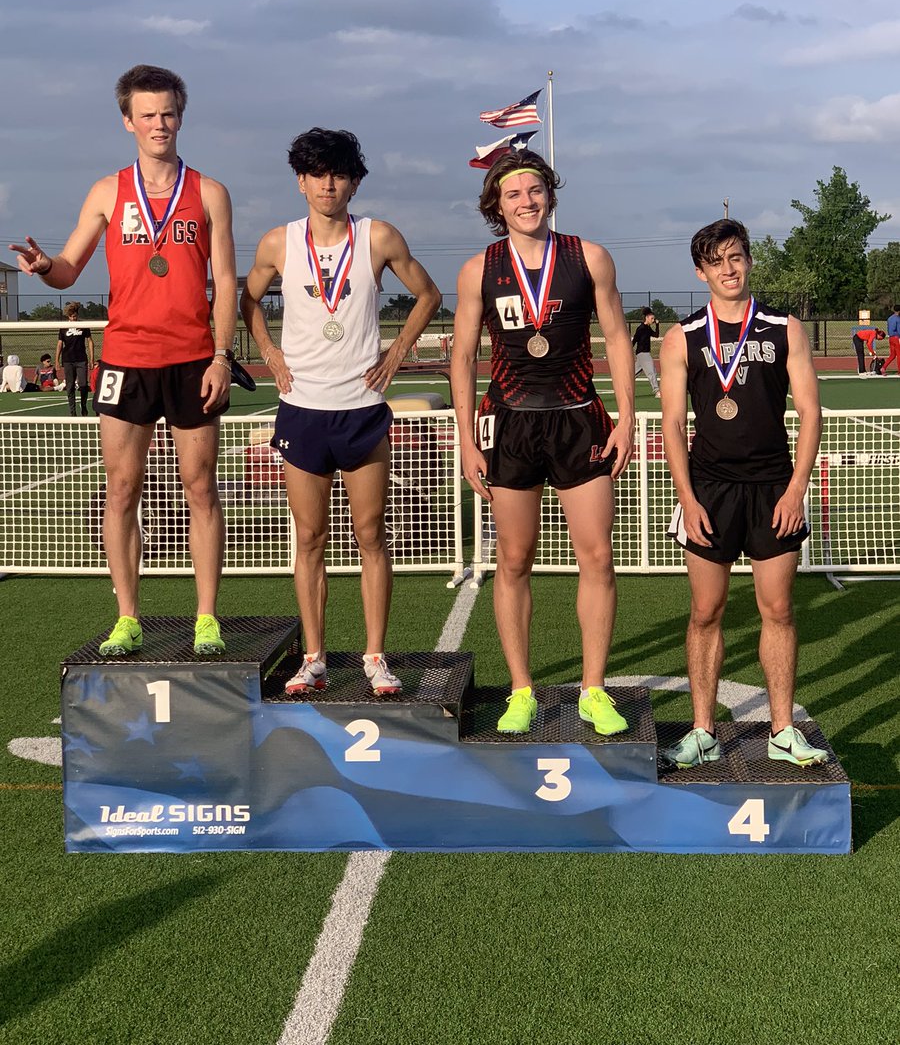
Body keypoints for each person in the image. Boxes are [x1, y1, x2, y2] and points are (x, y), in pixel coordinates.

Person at [10, 64, 237, 657]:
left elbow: (226, 280)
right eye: (147, 114)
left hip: (192, 360)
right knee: (121, 488)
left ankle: (206, 616)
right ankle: (128, 616)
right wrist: (42, 267)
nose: (159, 123)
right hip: (127, 359)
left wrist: (220, 356)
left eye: (168, 112)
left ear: (180, 117)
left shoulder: (209, 192)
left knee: (200, 486)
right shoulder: (107, 191)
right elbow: (68, 269)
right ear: (127, 121)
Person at [240, 127, 440, 697]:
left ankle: (376, 656)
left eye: (339, 173)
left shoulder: (378, 237)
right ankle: (314, 657)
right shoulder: (279, 243)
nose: (328, 184)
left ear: (354, 180)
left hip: (361, 408)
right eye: (317, 173)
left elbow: (428, 294)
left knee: (372, 534)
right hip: (302, 410)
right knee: (309, 539)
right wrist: (271, 355)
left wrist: (398, 351)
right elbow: (245, 299)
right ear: (300, 180)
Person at [450, 150, 635, 735]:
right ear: (495, 205)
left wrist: (627, 418)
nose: (526, 202)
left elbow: (616, 337)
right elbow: (463, 357)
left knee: (598, 556)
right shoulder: (479, 267)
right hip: (510, 423)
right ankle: (522, 689)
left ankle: (594, 689)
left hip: (579, 418)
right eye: (513, 194)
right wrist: (464, 437)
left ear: (550, 196)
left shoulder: (590, 257)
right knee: (512, 559)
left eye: (535, 191)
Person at [660, 218, 827, 768]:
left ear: (749, 261)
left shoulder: (785, 329)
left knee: (777, 609)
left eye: (736, 258)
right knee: (705, 610)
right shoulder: (681, 337)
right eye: (716, 261)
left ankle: (782, 729)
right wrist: (686, 498)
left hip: (772, 485)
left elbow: (809, 413)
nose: (727, 270)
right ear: (699, 270)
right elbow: (672, 426)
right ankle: (703, 729)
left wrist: (796, 488)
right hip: (709, 488)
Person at [55, 301, 94, 413]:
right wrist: (57, 360)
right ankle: (72, 411)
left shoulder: (83, 326)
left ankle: (83, 405)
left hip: (81, 359)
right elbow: (59, 344)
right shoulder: (63, 327)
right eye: (71, 317)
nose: (73, 318)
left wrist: (91, 359)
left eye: (75, 316)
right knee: (70, 385)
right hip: (68, 360)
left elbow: (90, 341)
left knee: (83, 384)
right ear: (68, 316)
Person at [632, 306, 660, 396]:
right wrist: (628, 351)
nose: (653, 320)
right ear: (646, 318)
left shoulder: (648, 328)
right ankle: (657, 391)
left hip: (643, 354)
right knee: (651, 371)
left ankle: (621, 385)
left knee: (632, 374)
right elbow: (635, 340)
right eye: (652, 318)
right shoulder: (641, 328)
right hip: (643, 354)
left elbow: (656, 335)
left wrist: (657, 325)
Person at [885, 304, 900, 375]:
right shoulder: (898, 319)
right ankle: (899, 371)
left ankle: (883, 367)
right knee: (899, 355)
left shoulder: (889, 318)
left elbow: (888, 328)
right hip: (897, 338)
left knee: (892, 355)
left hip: (891, 338)